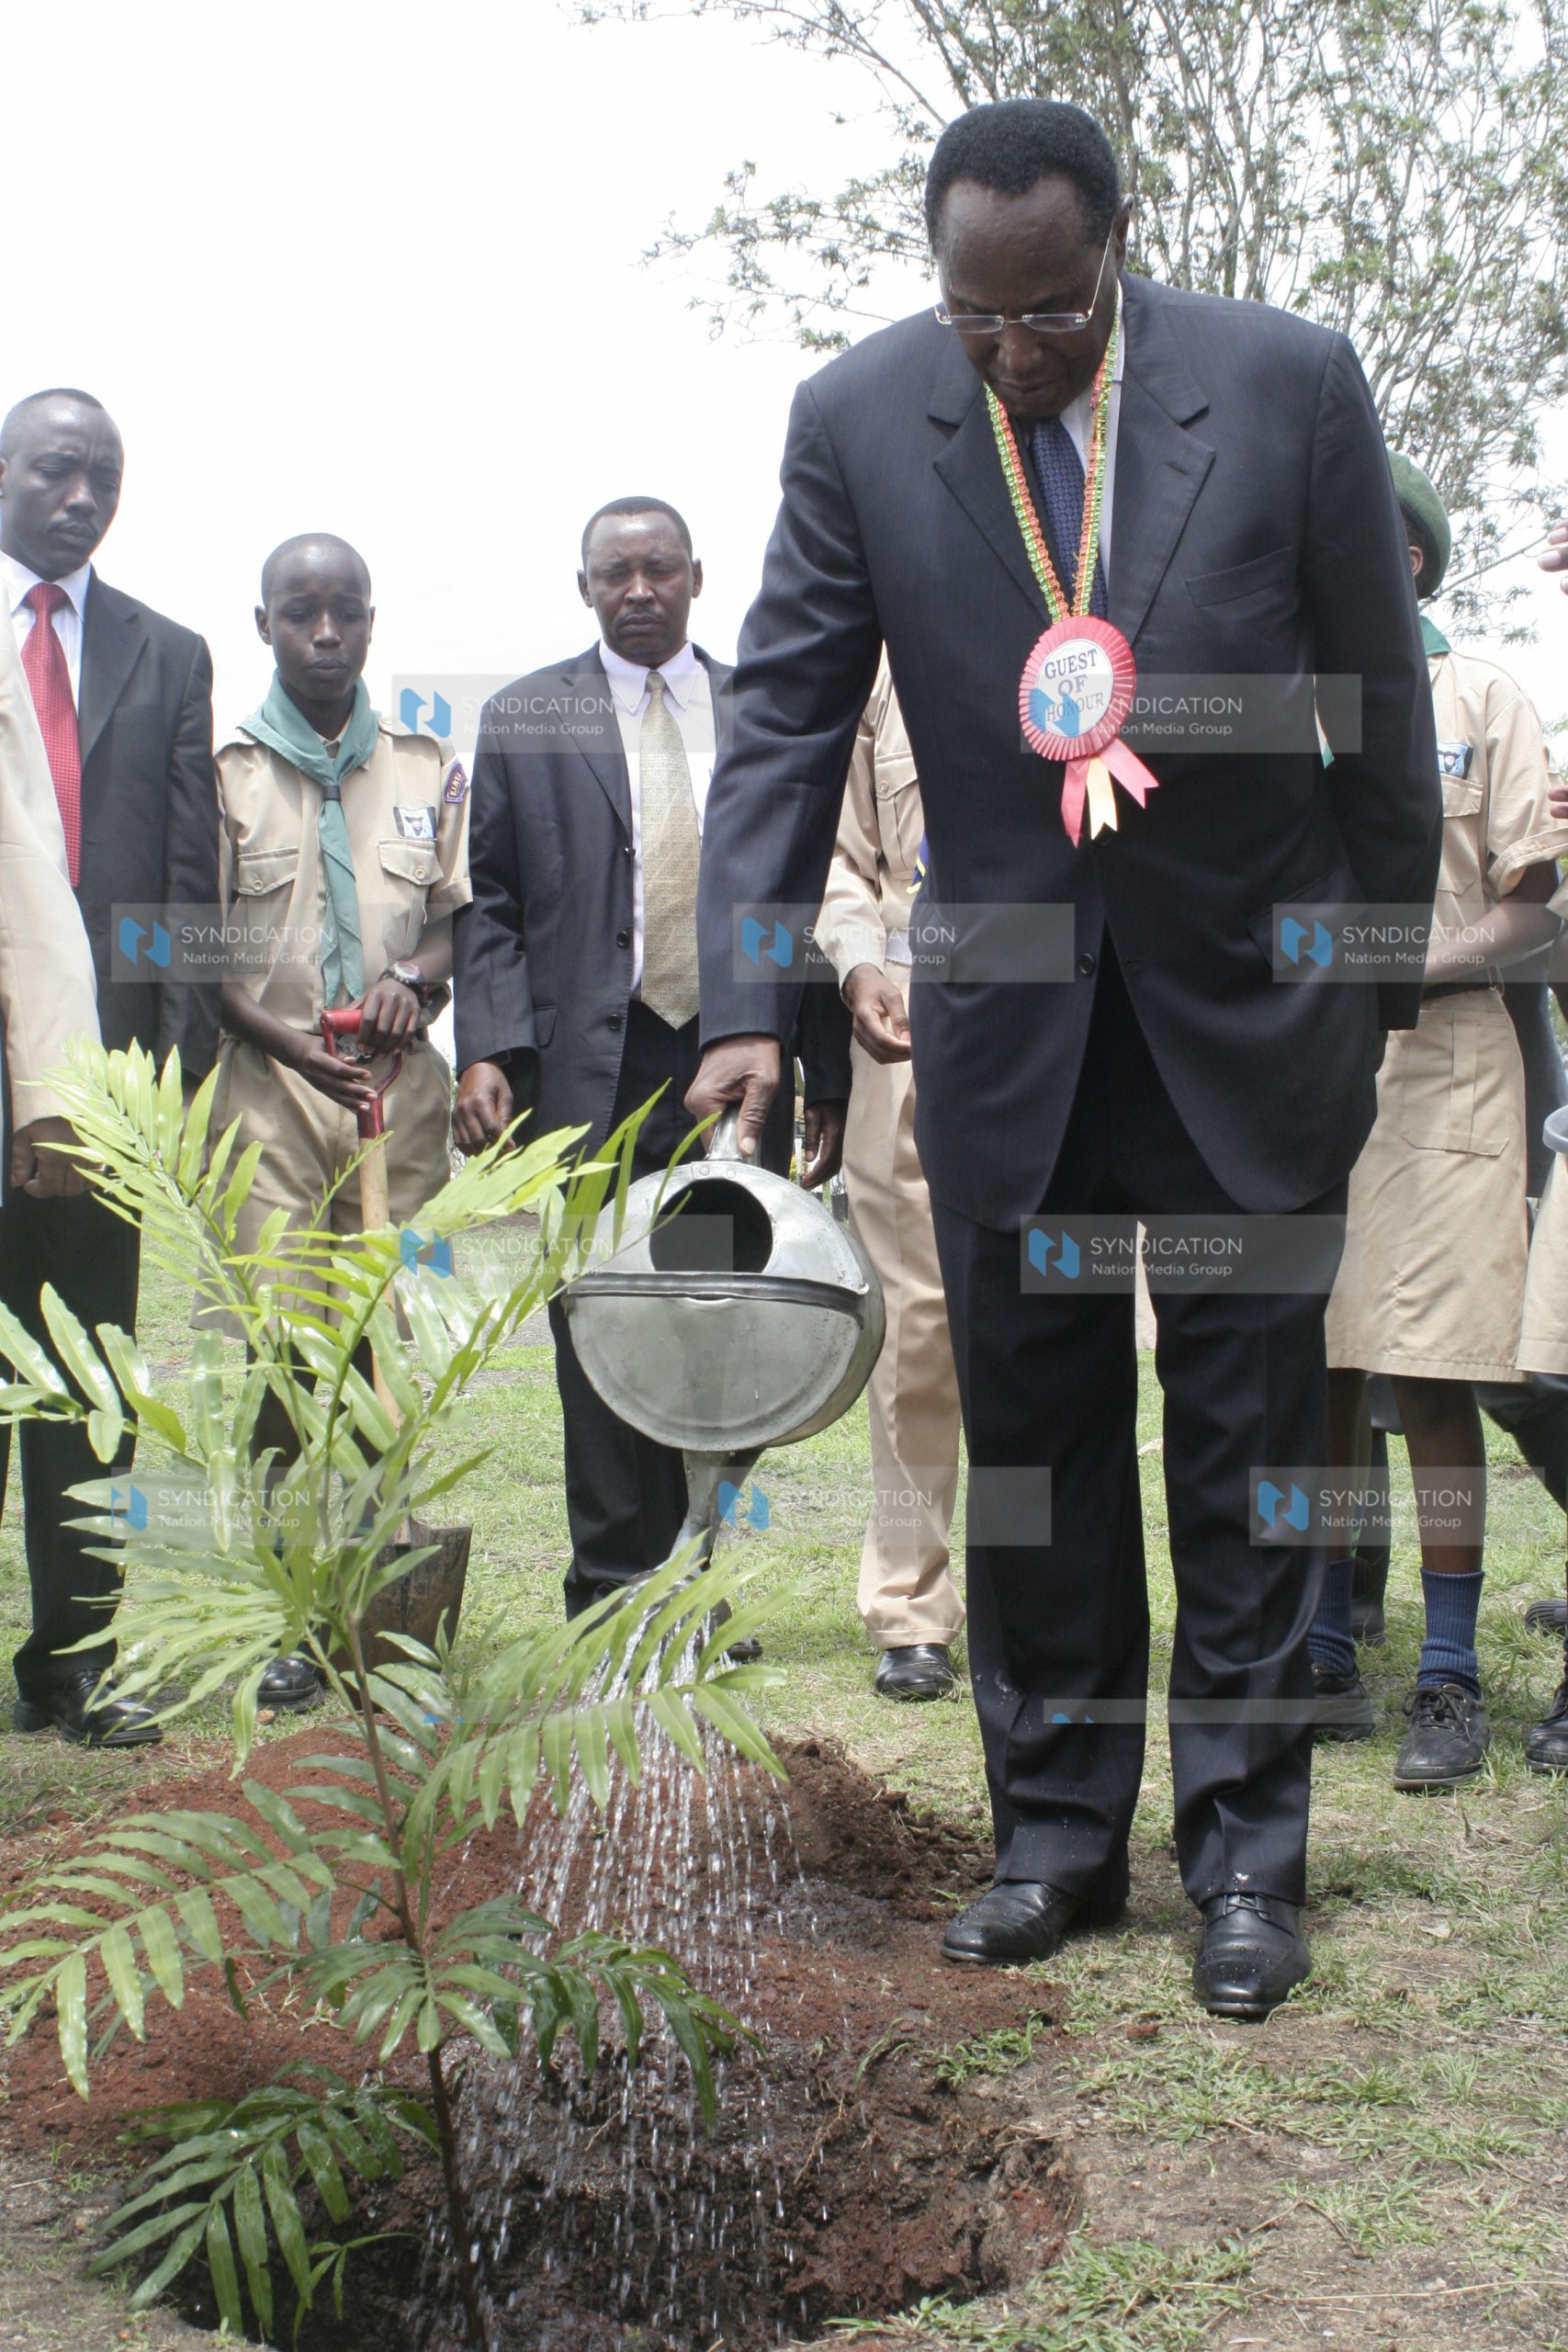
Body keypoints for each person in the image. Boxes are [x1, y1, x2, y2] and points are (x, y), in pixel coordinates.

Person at [686, 100, 1440, 2018]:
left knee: (1247, 1439)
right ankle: (1052, 1834)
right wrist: (743, 998)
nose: (1014, 355)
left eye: (1051, 315)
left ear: (1117, 249)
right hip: (1012, 1015)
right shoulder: (861, 415)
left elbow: (1378, 710)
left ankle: (1246, 1850)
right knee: (1029, 1444)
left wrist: (1354, 987)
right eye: (976, 322)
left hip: (1244, 1018)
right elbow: (778, 712)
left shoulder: (1285, 383)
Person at [452, 496, 851, 1623]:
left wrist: (824, 1061)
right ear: (584, 587)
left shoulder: (759, 712)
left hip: (735, 1072)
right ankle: (612, 1590)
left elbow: (803, 893)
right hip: (594, 1076)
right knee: (602, 1329)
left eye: (659, 569)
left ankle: (690, 1582)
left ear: (697, 577)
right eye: (615, 573)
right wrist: (488, 1047)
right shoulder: (528, 716)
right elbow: (491, 904)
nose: (638, 590)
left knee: (721, 1330)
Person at [1306, 456, 1567, 1787]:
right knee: (1320, 1371)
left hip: (1442, 1069)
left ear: (1400, 561)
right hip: (1294, 1075)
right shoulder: (1274, 704)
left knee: (1430, 1368)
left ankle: (1449, 1672)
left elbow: (1533, 900)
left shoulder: (1481, 701)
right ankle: (1323, 1650)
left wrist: (1417, 962)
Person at [212, 536, 468, 1706]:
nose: (325, 634)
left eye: (345, 614)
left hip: (396, 1103)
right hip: (269, 1101)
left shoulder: (425, 767)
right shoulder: (224, 773)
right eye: (299, 614)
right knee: (282, 1360)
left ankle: (375, 1599)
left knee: (376, 1348)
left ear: (371, 621)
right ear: (263, 623)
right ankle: (291, 1609)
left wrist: (418, 973)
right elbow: (205, 962)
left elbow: (460, 922)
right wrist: (297, 1051)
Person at [0, 388, 219, 1749]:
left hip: (107, 1089)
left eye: (104, 477)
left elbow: (189, 883)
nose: (80, 497)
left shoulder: (169, 652)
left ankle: (74, 1656)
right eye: (55, 470)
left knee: (85, 1375)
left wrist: (170, 1064)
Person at [814, 657, 964, 1700]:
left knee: (1052, 1321)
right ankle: (911, 1605)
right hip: (908, 1024)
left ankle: (1041, 1593)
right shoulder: (880, 677)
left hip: (1070, 1013)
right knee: (914, 1332)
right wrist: (861, 963)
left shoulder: (1087, 631)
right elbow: (844, 862)